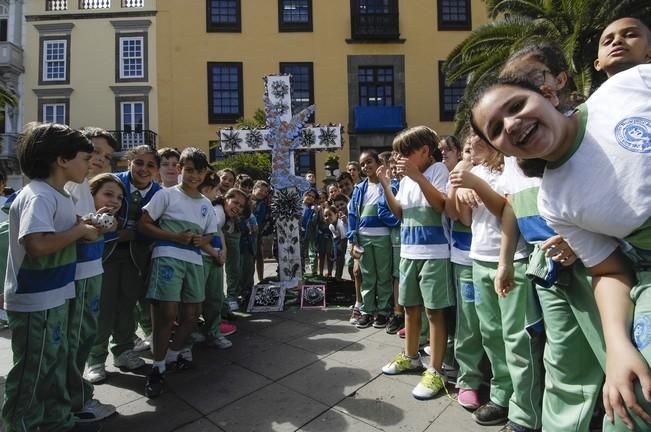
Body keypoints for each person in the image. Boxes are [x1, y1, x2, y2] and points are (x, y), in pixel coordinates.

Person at [469, 42, 651, 432]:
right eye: (496, 129)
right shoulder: (556, 199)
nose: (512, 124)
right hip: (564, 270)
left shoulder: (628, 88)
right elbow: (611, 270)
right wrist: (619, 347)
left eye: (516, 106)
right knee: (618, 393)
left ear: (549, 92)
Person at [496, 41, 606, 432]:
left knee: (622, 364)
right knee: (561, 361)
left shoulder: (596, 127)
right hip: (549, 271)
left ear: (560, 80)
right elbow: (512, 205)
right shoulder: (519, 149)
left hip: (605, 270)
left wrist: (583, 242)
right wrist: (506, 261)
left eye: (534, 77)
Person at [2, 123, 100, 432]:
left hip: (54, 293)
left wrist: (83, 227)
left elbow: (59, 234)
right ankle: (18, 425)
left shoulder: (57, 195)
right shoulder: (39, 195)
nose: (89, 165)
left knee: (55, 361)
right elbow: (37, 244)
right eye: (86, 158)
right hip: (35, 299)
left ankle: (57, 420)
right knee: (34, 369)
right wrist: (80, 230)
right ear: (62, 159)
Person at [450, 131, 543, 431]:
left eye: (478, 138)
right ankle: (502, 394)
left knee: (516, 337)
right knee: (490, 333)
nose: (472, 144)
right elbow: (463, 219)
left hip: (513, 260)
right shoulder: (475, 171)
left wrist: (474, 185)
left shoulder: (513, 167)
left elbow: (506, 211)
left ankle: (525, 408)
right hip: (479, 259)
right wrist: (460, 190)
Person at [378, 126, 455, 400]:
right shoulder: (409, 178)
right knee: (410, 308)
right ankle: (410, 356)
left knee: (434, 312)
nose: (399, 158)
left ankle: (435, 369)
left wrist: (418, 176)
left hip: (435, 255)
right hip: (409, 253)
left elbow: (440, 205)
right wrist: (387, 186)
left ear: (424, 150)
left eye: (405, 152)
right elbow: (399, 212)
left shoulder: (437, 172)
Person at [139, 147, 217, 398]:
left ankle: (171, 357)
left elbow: (210, 233)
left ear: (205, 173)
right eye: (189, 170)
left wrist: (201, 241)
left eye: (199, 171)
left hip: (194, 261)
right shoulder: (166, 195)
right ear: (180, 170)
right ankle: (157, 368)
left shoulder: (206, 203)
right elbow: (144, 223)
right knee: (167, 314)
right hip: (167, 258)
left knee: (193, 313)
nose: (194, 175)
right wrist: (174, 236)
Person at [86, 145, 161, 383]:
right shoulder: (111, 184)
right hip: (103, 254)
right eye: (138, 162)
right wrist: (115, 235)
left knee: (128, 304)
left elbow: (158, 228)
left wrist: (137, 236)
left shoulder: (160, 193)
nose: (143, 169)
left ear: (156, 170)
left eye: (150, 165)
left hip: (135, 257)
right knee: (103, 305)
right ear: (128, 162)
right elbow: (90, 217)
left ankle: (123, 351)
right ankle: (96, 359)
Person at [64, 127, 119, 422]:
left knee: (84, 335)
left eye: (106, 156)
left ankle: (76, 397)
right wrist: (90, 227)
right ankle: (78, 401)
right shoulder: (72, 186)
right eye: (95, 152)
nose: (100, 159)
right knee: (78, 337)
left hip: (89, 270)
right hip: (78, 274)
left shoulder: (82, 187)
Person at [442, 130, 484, 412]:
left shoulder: (504, 171)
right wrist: (460, 181)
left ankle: (498, 378)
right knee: (468, 321)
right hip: (466, 258)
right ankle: (469, 379)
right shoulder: (459, 174)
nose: (471, 156)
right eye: (467, 150)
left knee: (497, 326)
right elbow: (458, 215)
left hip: (499, 258)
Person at [348, 150, 396, 329]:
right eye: (362, 164)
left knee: (384, 275)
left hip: (383, 237)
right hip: (364, 237)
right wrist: (353, 239)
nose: (366, 166)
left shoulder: (388, 185)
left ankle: (383, 312)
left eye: (369, 162)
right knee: (367, 275)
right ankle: (368, 311)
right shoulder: (360, 188)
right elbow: (352, 214)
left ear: (378, 164)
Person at [197, 171, 241, 349]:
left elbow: (218, 232)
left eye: (241, 206)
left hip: (213, 256)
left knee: (213, 297)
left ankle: (212, 330)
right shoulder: (217, 210)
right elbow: (201, 235)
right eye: (235, 203)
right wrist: (217, 253)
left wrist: (222, 249)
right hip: (204, 257)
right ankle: (209, 331)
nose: (237, 208)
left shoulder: (218, 210)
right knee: (203, 298)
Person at [252, 180, 271, 283]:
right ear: (254, 189)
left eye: (265, 191)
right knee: (249, 258)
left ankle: (261, 279)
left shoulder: (264, 204)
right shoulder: (246, 200)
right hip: (246, 233)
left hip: (259, 233)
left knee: (260, 256)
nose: (263, 193)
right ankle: (248, 281)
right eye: (261, 190)